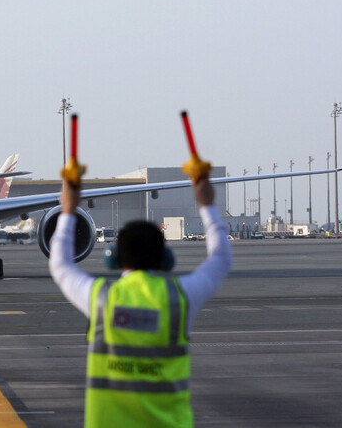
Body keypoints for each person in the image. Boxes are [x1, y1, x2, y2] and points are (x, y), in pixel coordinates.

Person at [49, 175, 231, 428]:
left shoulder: (102, 298)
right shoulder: (179, 296)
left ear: (113, 259)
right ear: (166, 258)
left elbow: (59, 264)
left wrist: (67, 210)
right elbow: (221, 259)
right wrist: (206, 204)